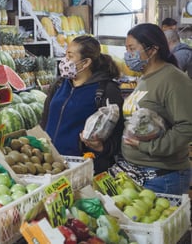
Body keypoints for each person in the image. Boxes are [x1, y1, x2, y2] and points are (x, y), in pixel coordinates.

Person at [117, 23, 192, 195]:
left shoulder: (174, 80)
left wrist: (150, 147)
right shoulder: (145, 78)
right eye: (126, 49)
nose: (128, 55)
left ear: (152, 50)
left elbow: (187, 126)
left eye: (132, 48)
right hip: (137, 173)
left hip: (162, 177)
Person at [40, 35, 124, 175]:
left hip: (83, 168)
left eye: (70, 56)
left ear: (85, 63)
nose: (64, 60)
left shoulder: (106, 90)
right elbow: (45, 119)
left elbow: (118, 133)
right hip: (50, 164)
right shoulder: (59, 84)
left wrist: (102, 147)